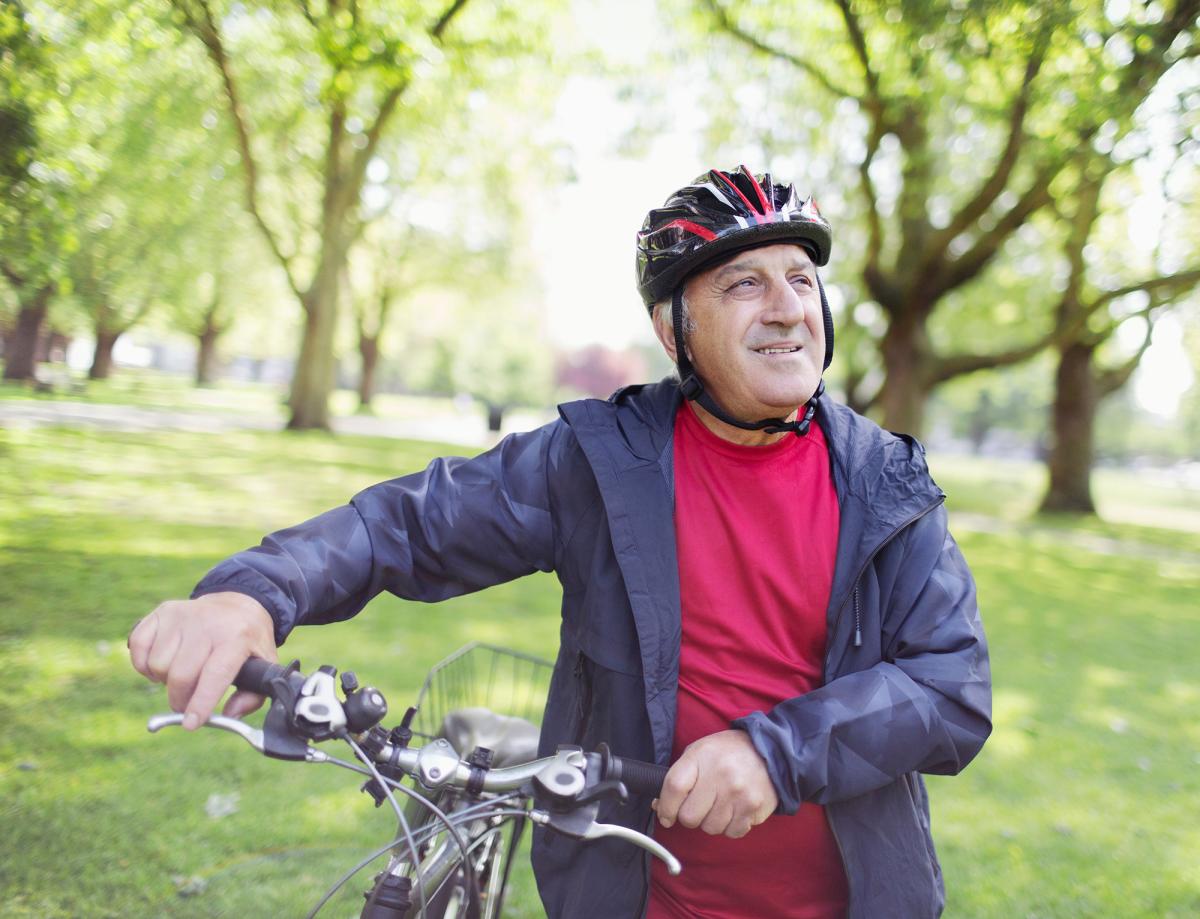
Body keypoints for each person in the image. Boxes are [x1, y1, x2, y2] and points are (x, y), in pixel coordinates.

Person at [129, 166, 991, 919]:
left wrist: (776, 751)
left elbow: (950, 686)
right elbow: (411, 522)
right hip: (637, 896)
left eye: (800, 279)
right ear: (672, 327)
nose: (786, 308)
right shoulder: (601, 462)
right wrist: (252, 591)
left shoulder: (888, 482)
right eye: (743, 284)